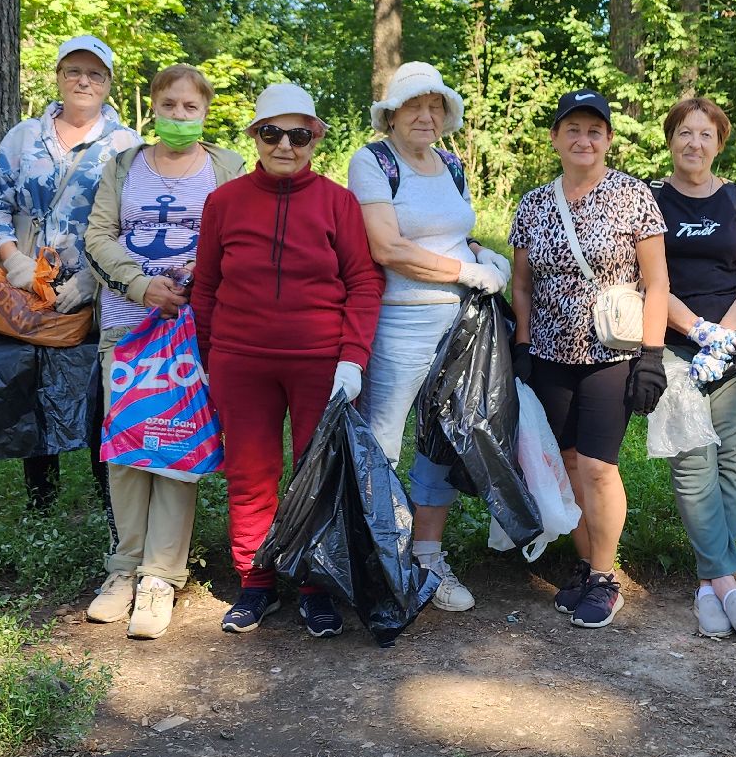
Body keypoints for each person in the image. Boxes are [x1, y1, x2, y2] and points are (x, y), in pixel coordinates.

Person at [191, 83, 384, 638]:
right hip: (240, 360)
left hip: (320, 361)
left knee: (315, 473)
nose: (285, 145)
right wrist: (208, 355)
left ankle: (314, 583)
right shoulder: (224, 202)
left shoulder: (337, 201)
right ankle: (255, 583)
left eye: (298, 135)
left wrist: (352, 357)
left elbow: (363, 283)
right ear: (255, 136)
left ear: (315, 140)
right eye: (272, 133)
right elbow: (206, 287)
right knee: (251, 473)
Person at [82, 63, 243, 638]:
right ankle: (122, 568)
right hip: (127, 330)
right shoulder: (124, 166)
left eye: (190, 107)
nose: (179, 116)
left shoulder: (226, 167)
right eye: (169, 105)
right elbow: (97, 237)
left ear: (205, 111)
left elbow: (235, 237)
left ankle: (160, 576)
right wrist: (139, 284)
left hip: (193, 331)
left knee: (178, 441)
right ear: (153, 107)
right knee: (126, 447)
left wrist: (195, 277)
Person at [348, 62, 510, 614]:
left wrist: (480, 255)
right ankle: (374, 561)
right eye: (413, 105)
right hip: (400, 322)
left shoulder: (451, 164)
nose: (425, 115)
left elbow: (454, 232)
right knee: (382, 442)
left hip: (460, 323)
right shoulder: (373, 162)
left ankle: (427, 558)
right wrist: (465, 272)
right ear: (391, 115)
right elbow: (387, 248)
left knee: (443, 441)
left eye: (434, 105)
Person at [509, 90, 669, 629]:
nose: (584, 139)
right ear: (555, 138)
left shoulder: (632, 195)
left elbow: (657, 280)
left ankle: (605, 577)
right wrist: (523, 346)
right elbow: (522, 284)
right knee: (569, 462)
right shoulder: (532, 204)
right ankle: (584, 561)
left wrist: (651, 354)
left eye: (594, 131)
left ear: (608, 139)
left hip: (612, 355)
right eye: (572, 129)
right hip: (550, 356)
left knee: (600, 466)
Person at [0, 35, 141, 510]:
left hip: (100, 288)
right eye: (74, 71)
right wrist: (12, 258)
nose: (83, 81)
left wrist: (95, 278)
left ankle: (107, 498)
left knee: (100, 385)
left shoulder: (126, 144)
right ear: (57, 75)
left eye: (95, 74)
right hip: (27, 285)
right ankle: (42, 501)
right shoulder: (23, 137)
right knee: (30, 377)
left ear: (109, 83)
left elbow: (133, 219)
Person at [651, 97, 736, 639]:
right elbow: (653, 283)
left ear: (719, 143)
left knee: (729, 457)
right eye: (684, 133)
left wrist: (724, 336)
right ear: (671, 139)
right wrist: (697, 332)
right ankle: (724, 582)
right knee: (692, 459)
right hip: (677, 345)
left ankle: (707, 585)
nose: (694, 143)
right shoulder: (650, 201)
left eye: (705, 134)